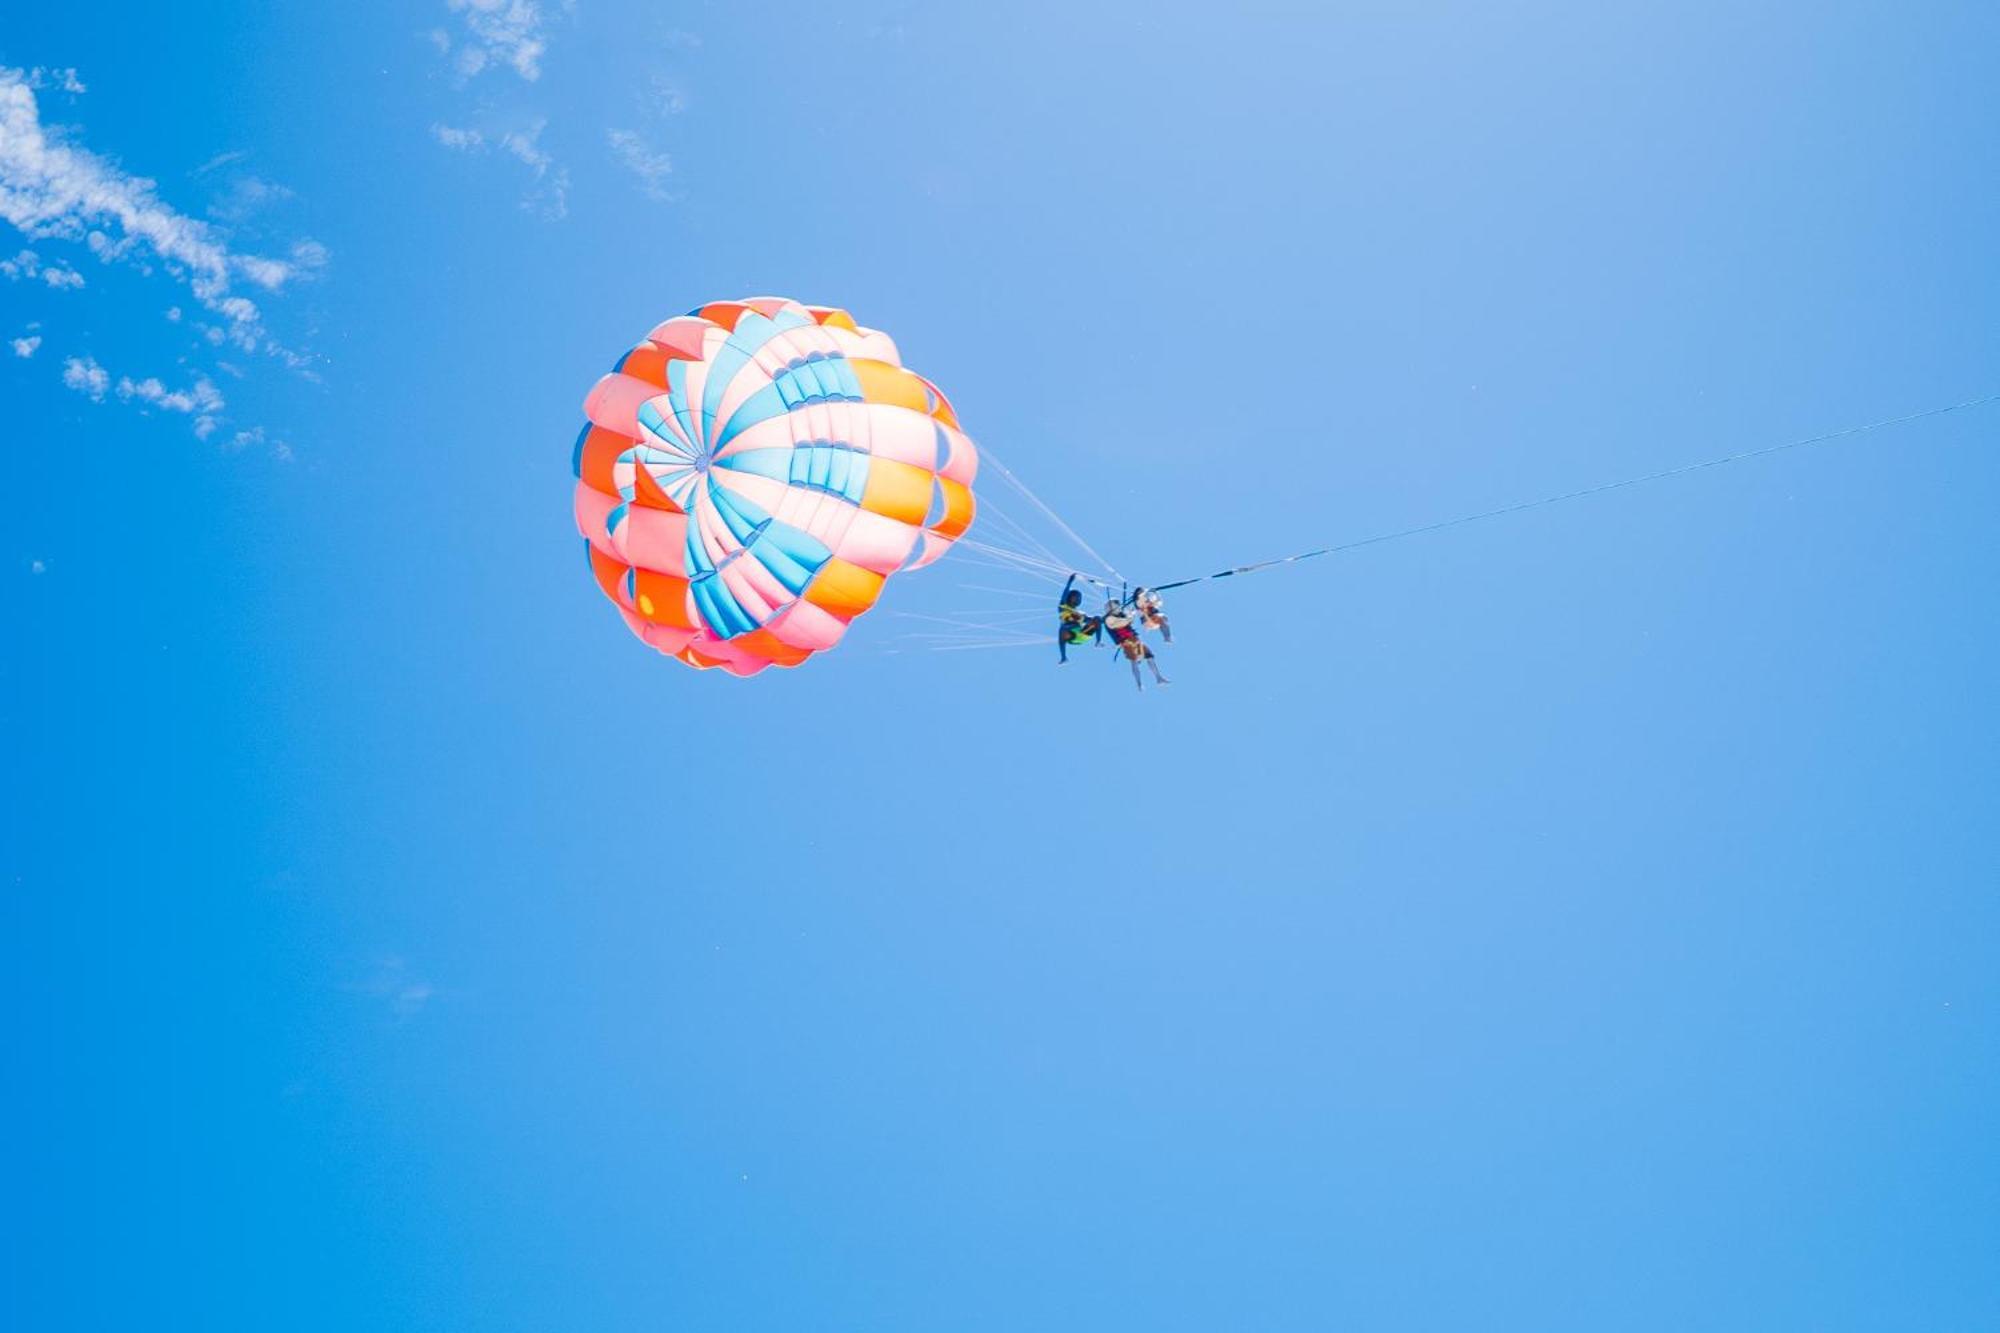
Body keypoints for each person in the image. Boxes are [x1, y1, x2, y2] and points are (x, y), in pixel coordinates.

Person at [1101, 597, 1169, 691]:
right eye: (1116, 605)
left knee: (1149, 656)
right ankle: (1139, 683)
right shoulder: (1109, 619)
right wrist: (1129, 617)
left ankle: (1158, 677)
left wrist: (1130, 613)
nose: (1118, 607)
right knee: (1134, 660)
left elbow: (1128, 620)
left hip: (1135, 640)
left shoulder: (1121, 615)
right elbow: (1121, 623)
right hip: (1126, 642)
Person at [1056, 575, 1101, 664]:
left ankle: (1098, 642)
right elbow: (1064, 594)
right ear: (1070, 598)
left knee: (1097, 618)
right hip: (1072, 636)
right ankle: (1064, 657)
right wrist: (1070, 581)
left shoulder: (1080, 614)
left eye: (1078, 598)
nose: (1077, 599)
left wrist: (1104, 618)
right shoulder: (1063, 607)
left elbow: (1094, 621)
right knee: (1062, 629)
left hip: (1083, 635)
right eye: (1075, 597)